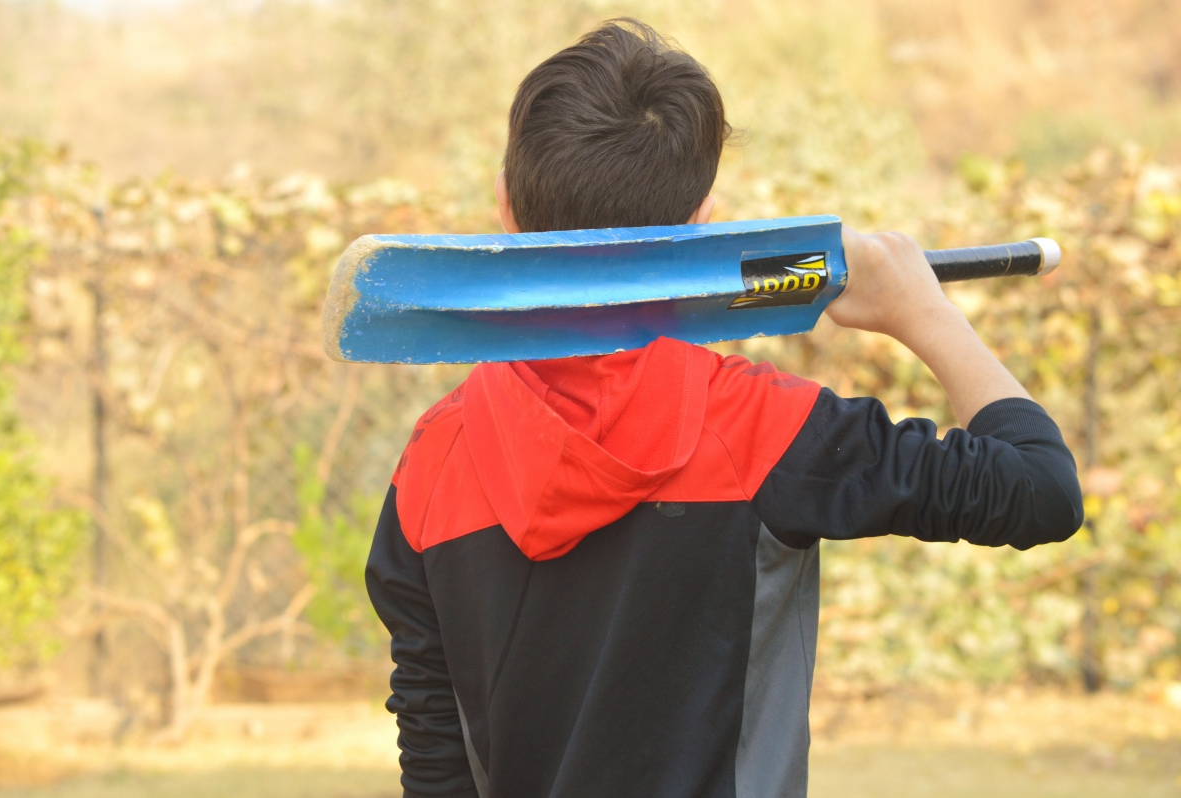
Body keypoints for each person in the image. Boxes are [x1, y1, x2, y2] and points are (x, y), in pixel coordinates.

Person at [365, 18, 1083, 798]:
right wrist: (925, 314)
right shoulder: (766, 432)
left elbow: (436, 768)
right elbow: (1040, 487)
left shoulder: (430, 467)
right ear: (703, 222)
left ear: (506, 206)